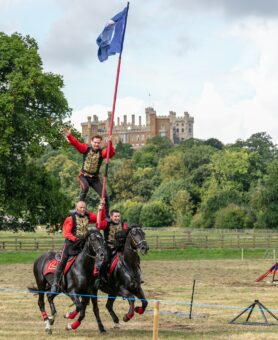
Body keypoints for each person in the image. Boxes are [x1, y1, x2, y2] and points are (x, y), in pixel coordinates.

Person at [51, 200, 106, 293]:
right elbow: (66, 233)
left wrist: (102, 208)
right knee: (63, 261)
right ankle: (55, 284)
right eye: (81, 207)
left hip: (83, 244)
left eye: (84, 207)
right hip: (71, 244)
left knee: (94, 257)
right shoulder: (70, 218)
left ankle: (97, 280)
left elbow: (100, 219)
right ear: (77, 208)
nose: (83, 209)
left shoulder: (88, 216)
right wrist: (76, 239)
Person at [63, 128, 115, 215]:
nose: (96, 144)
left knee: (104, 195)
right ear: (91, 142)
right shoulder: (85, 149)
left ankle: (106, 215)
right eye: (95, 142)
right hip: (83, 176)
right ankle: (79, 209)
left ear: (100, 143)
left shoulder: (102, 152)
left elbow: (111, 153)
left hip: (95, 179)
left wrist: (110, 143)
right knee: (85, 187)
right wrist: (69, 136)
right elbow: (76, 143)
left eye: (98, 143)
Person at [96, 210, 143, 286]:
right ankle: (100, 278)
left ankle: (137, 276)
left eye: (118, 216)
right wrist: (100, 211)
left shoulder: (123, 225)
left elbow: (128, 232)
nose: (117, 218)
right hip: (109, 247)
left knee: (135, 257)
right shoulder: (106, 223)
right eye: (115, 216)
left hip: (121, 247)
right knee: (106, 260)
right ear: (111, 217)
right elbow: (98, 224)